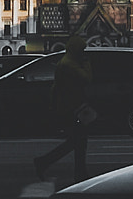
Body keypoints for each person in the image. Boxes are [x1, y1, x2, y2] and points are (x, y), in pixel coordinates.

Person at [32, 36, 95, 184]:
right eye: (81, 49)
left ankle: (79, 172)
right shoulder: (70, 65)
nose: (83, 52)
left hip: (68, 106)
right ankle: (45, 162)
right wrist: (87, 63)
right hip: (72, 107)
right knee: (78, 141)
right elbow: (87, 78)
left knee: (78, 141)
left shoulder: (66, 61)